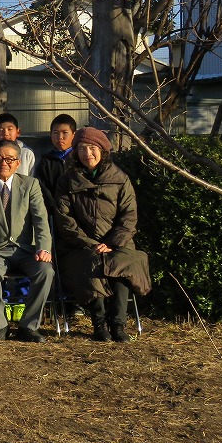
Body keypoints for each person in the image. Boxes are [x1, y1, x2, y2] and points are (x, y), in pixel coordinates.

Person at [53, 127, 151, 343]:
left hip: (118, 243)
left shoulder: (120, 179)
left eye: (92, 148)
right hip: (80, 246)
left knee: (122, 265)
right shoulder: (66, 181)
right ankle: (99, 324)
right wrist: (89, 243)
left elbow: (129, 216)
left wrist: (112, 242)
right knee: (91, 264)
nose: (87, 153)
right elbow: (64, 220)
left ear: (103, 150)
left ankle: (118, 324)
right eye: (81, 149)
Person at [0, 139, 53, 342]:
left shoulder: (30, 184)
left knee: (45, 271)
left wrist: (44, 248)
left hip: (26, 250)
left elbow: (41, 219)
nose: (3, 162)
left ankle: (28, 326)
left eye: (9, 158)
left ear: (17, 162)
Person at [35, 113, 77, 215]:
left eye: (65, 133)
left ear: (73, 135)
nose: (60, 137)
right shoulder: (46, 160)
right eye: (56, 133)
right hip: (55, 213)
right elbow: (43, 187)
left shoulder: (79, 158)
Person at [0, 112, 36, 179]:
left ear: (18, 132)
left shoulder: (27, 153)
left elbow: (32, 179)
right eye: (0, 130)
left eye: (10, 129)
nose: (5, 133)